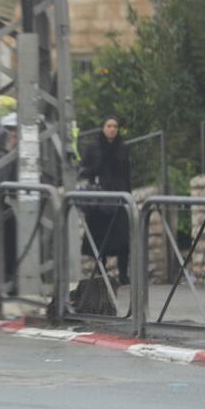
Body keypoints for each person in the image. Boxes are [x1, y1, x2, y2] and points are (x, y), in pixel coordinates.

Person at [80, 116, 134, 285]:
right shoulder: (94, 147)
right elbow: (84, 170)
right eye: (109, 126)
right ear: (103, 128)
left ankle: (123, 274)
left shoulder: (122, 147)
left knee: (123, 238)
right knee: (100, 237)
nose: (112, 129)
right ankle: (102, 272)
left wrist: (129, 195)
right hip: (100, 197)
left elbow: (127, 173)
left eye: (115, 126)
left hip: (119, 196)